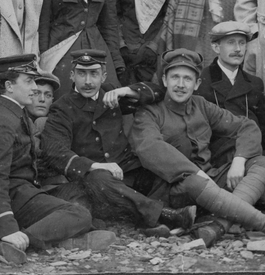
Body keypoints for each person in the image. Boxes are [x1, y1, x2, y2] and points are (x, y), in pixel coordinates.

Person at [131, 49, 265, 249]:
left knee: (262, 162)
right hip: (173, 192)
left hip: (211, 184)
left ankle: (217, 226)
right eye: (175, 77)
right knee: (194, 182)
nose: (180, 85)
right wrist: (196, 173)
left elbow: (247, 126)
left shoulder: (201, 105)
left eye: (187, 79)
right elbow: (150, 147)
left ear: (197, 84)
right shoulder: (149, 112)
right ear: (164, 80)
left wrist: (239, 160)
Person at [41, 49, 195, 235]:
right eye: (81, 73)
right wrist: (95, 166)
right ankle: (163, 215)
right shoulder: (62, 108)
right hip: (97, 183)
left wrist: (127, 90)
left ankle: (148, 217)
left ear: (104, 76)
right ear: (72, 75)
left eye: (94, 74)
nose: (88, 81)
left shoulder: (110, 94)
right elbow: (54, 151)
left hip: (127, 172)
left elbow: (159, 91)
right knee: (98, 178)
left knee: (178, 144)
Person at [0, 54, 102, 265]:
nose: (34, 87)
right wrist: (6, 228)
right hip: (7, 201)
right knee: (79, 214)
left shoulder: (11, 112)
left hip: (19, 194)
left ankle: (58, 237)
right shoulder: (1, 121)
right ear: (9, 86)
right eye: (28, 81)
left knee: (78, 196)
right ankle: (16, 244)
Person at [193, 21, 265, 218]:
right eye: (231, 42)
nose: (238, 49)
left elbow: (262, 130)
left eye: (242, 43)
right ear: (215, 47)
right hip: (218, 154)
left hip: (249, 149)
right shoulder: (201, 81)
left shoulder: (254, 83)